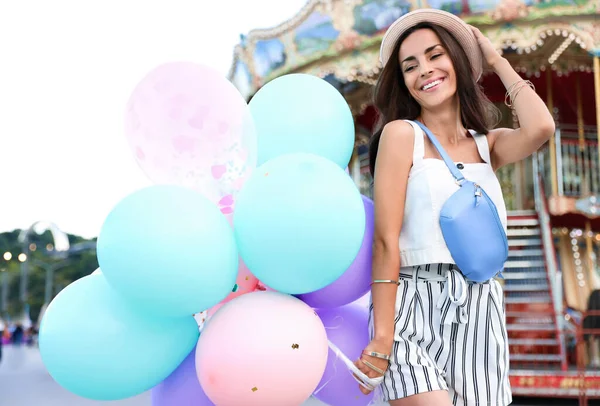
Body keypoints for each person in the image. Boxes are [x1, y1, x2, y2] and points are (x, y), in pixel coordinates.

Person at [354, 9, 555, 406]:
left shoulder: (487, 145)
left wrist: (494, 60)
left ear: (458, 62)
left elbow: (541, 128)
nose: (424, 70)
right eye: (410, 66)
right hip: (413, 302)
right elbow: (384, 241)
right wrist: (382, 335)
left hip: (480, 305)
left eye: (435, 55)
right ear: (404, 82)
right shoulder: (401, 136)